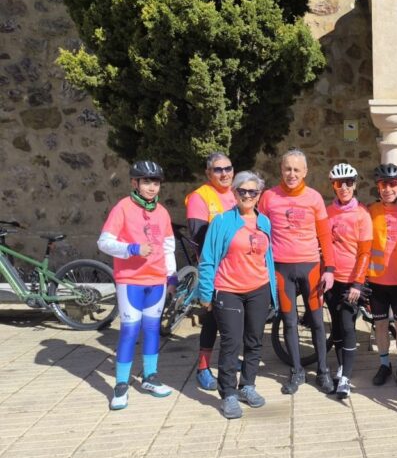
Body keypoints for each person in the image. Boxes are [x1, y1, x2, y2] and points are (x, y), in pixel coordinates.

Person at [197, 171, 277, 419]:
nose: (248, 196)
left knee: (254, 341)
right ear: (235, 193)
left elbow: (268, 259)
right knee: (231, 343)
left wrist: (272, 292)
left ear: (259, 195)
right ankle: (229, 394)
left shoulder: (264, 222)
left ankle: (248, 386)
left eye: (253, 192)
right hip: (229, 289)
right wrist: (205, 293)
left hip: (259, 289)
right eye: (242, 191)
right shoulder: (222, 222)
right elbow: (208, 259)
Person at [97, 161, 176, 410]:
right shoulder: (122, 208)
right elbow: (104, 242)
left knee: (152, 329)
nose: (152, 187)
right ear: (135, 183)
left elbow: (168, 246)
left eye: (155, 182)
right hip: (131, 280)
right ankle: (121, 384)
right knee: (130, 331)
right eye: (146, 182)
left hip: (157, 280)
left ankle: (150, 377)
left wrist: (171, 277)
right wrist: (131, 249)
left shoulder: (162, 212)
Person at [258, 149, 336, 395]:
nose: (291, 174)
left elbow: (325, 235)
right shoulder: (269, 197)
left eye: (296, 170)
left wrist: (330, 269)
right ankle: (296, 371)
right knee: (289, 322)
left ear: (305, 172)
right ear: (281, 169)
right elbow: (258, 231)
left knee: (316, 321)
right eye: (287, 168)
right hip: (281, 268)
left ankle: (323, 371)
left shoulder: (314, 198)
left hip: (311, 267)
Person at [185, 152, 237, 391]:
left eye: (228, 168)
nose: (224, 173)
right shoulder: (201, 197)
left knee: (234, 319)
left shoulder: (238, 193)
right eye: (218, 169)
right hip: (215, 271)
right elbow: (198, 238)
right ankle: (203, 368)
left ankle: (229, 359)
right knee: (212, 319)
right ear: (208, 173)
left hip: (238, 269)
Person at [325, 163, 372, 399]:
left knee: (347, 325)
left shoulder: (362, 214)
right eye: (338, 183)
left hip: (351, 280)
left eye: (349, 183)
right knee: (336, 327)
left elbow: (365, 252)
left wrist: (357, 284)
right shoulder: (327, 212)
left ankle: (345, 378)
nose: (344, 187)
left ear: (355, 185)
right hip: (330, 279)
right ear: (333, 186)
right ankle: (341, 366)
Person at [368, 163, 397, 389]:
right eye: (383, 184)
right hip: (377, 279)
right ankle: (384, 364)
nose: (388, 188)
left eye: (393, 184)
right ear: (378, 187)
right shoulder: (371, 211)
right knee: (380, 325)